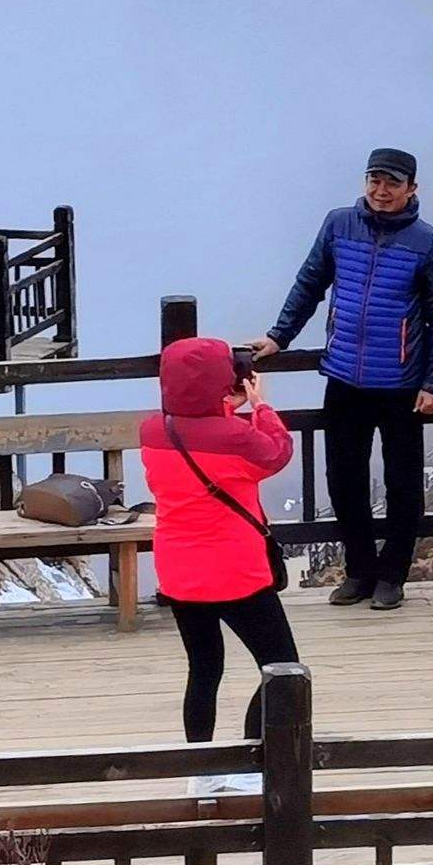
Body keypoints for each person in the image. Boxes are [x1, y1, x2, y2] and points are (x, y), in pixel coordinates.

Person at [251, 147, 433, 611]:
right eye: (374, 180)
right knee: (343, 480)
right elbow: (310, 282)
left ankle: (393, 577)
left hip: (402, 382)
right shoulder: (338, 224)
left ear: (412, 189)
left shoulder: (429, 242)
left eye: (393, 183)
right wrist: (279, 336)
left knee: (403, 484)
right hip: (344, 377)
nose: (381, 191)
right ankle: (359, 571)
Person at [138, 336, 297, 786]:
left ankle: (201, 770)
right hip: (235, 572)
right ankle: (252, 760)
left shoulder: (153, 432)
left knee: (205, 668)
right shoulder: (237, 438)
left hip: (179, 571)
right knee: (282, 667)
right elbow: (276, 451)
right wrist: (260, 406)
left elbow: (200, 432)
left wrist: (223, 405)